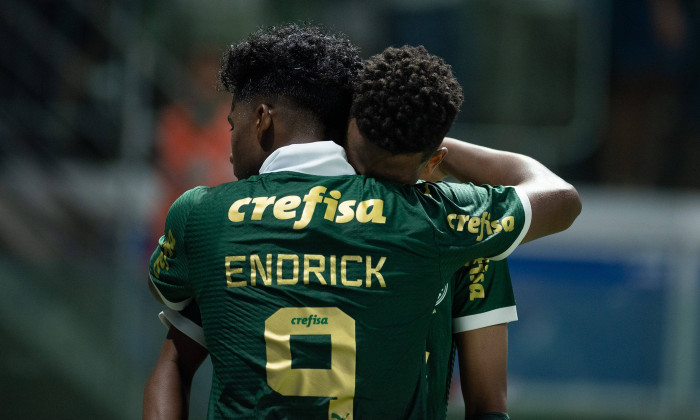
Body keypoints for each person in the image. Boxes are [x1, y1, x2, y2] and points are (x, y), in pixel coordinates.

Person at [145, 24, 580, 419]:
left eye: (230, 123)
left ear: (261, 119)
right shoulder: (440, 218)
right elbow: (558, 197)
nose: (228, 144)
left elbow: (173, 352)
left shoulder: (206, 217)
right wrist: (422, 141)